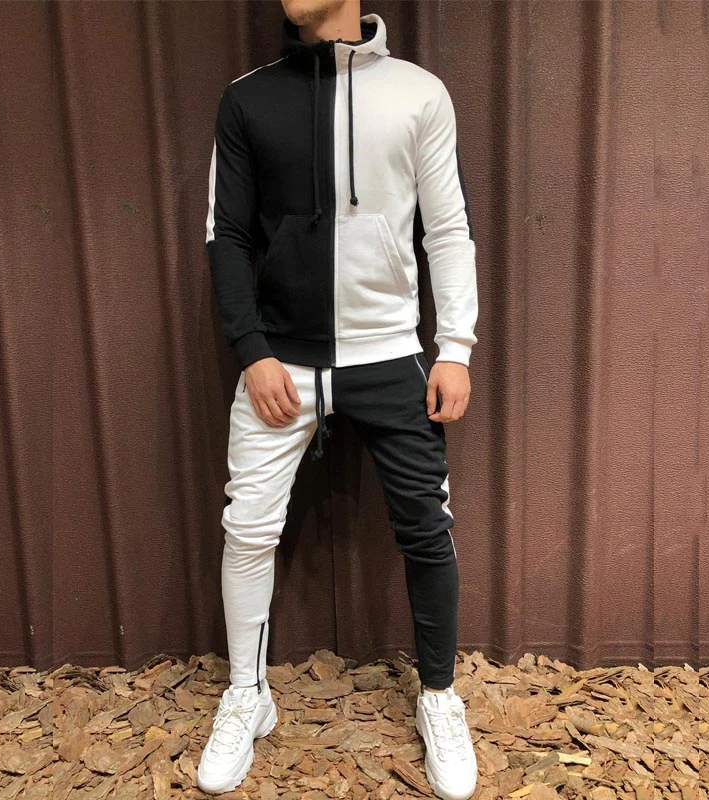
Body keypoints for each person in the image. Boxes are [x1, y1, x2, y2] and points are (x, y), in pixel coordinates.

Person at [198, 1, 479, 798]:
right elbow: (227, 235)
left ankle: (438, 697)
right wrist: (252, 351)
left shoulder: (419, 93)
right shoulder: (248, 98)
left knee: (426, 528)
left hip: (390, 355)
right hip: (281, 364)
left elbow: (447, 228)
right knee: (247, 527)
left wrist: (455, 347)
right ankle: (247, 695)